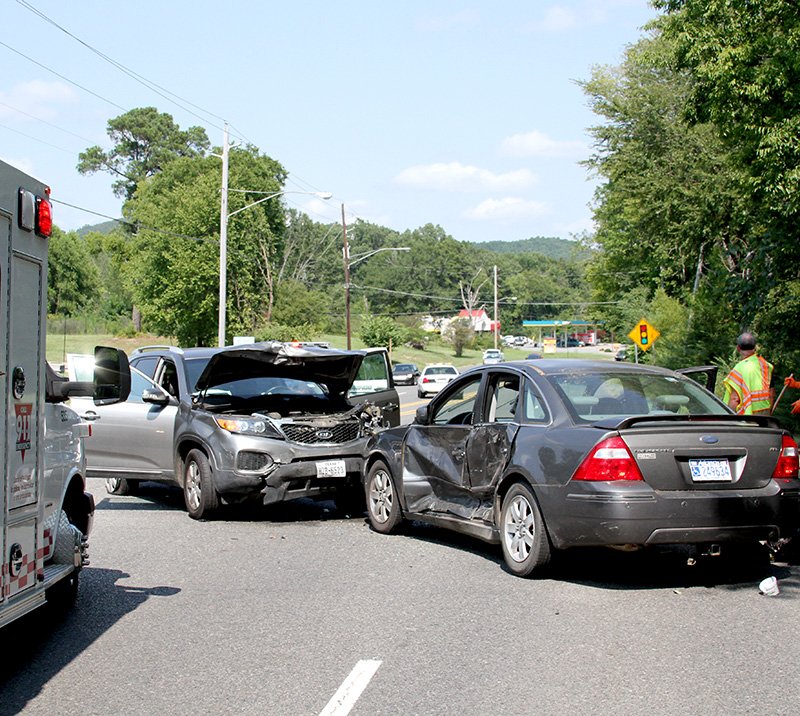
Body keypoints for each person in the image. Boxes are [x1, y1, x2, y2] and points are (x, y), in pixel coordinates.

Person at [722, 332, 774, 415]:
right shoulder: (766, 366)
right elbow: (771, 393)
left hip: (747, 416)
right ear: (755, 347)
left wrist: (727, 417)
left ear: (738, 348)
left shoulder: (739, 369)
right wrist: (768, 413)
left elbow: (734, 398)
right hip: (765, 413)